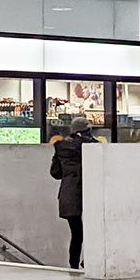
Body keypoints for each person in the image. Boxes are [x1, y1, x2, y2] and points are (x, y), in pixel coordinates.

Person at [48, 114, 95, 269]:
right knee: (93, 231)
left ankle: (73, 265)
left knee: (76, 233)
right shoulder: (90, 146)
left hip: (68, 195)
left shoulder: (61, 147)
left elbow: (55, 173)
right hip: (88, 193)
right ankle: (88, 260)